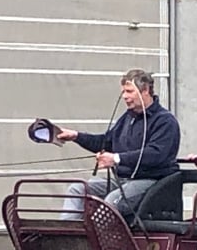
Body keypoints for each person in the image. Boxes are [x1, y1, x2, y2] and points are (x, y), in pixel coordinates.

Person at [54, 68, 180, 219]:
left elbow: (156, 154)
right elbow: (106, 142)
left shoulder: (165, 121)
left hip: (151, 182)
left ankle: (98, 240)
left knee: (111, 203)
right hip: (121, 180)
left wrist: (116, 159)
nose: (124, 97)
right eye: (123, 92)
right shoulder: (127, 118)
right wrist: (76, 136)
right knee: (77, 190)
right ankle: (68, 236)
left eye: (129, 91)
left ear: (145, 90)